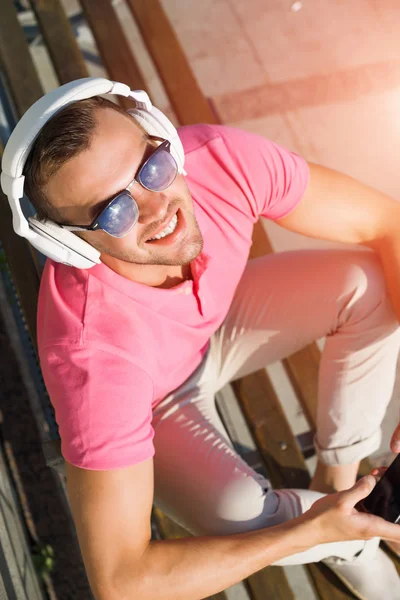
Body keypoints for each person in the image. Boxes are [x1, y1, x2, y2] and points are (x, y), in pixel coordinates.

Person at [2, 77, 400, 600]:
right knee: (246, 512)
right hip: (153, 401)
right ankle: (347, 540)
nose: (156, 208)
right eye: (112, 211)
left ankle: (340, 490)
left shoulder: (218, 160)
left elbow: (386, 222)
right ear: (72, 243)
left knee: (367, 282)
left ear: (161, 136)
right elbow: (121, 580)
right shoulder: (92, 358)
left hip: (220, 322)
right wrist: (307, 532)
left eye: (151, 168)